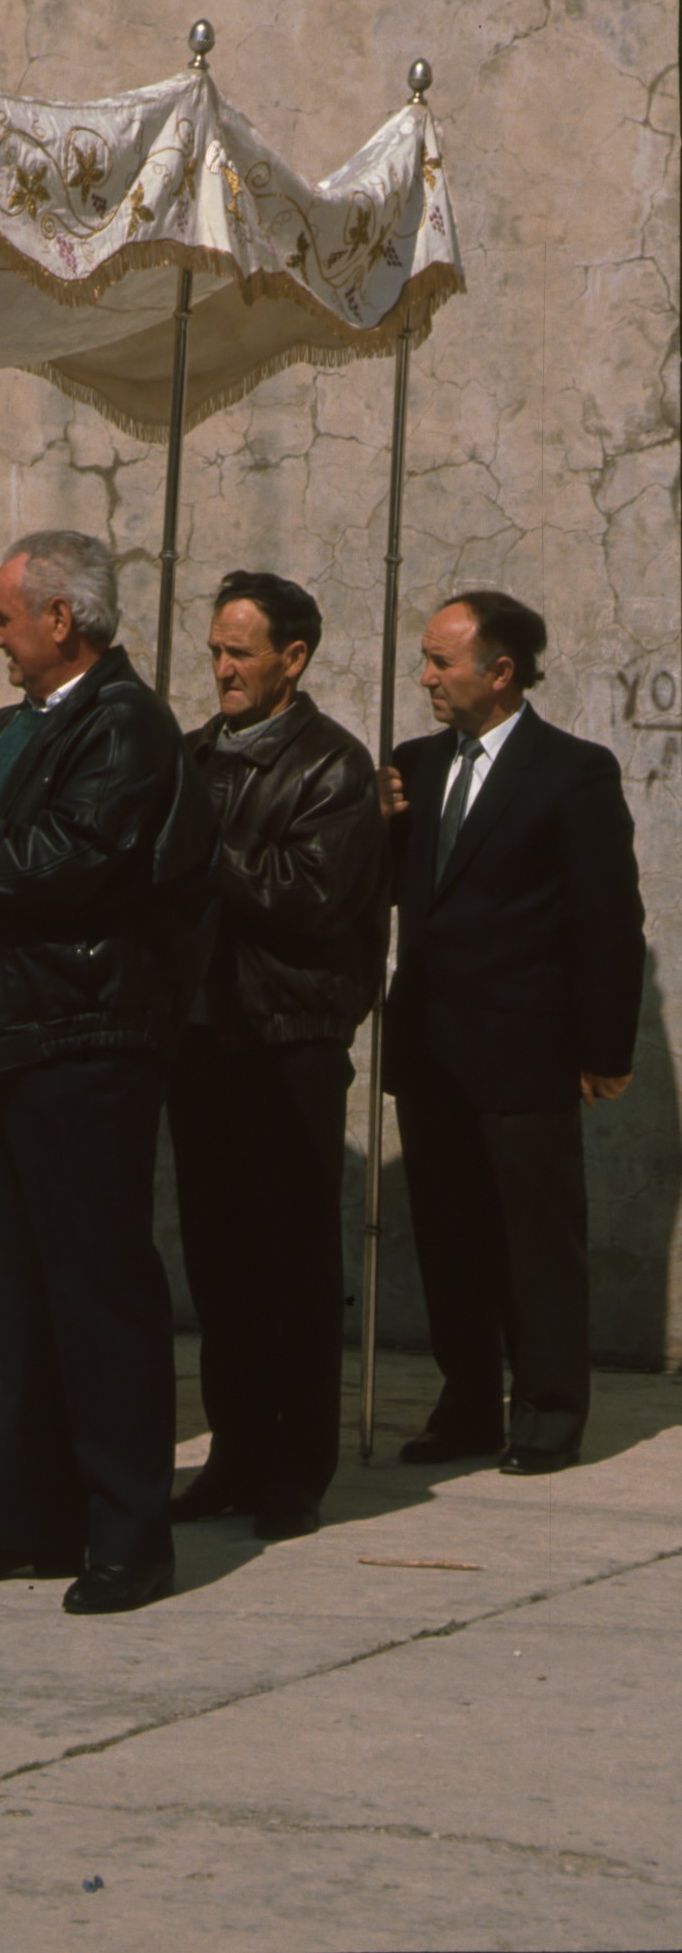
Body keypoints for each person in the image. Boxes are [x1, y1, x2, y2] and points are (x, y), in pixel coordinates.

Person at [0, 531, 217, 1614]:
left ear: (62, 618)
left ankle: (127, 1537)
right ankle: (27, 1521)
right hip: (6, 1034)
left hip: (83, 1041)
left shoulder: (125, 725)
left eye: (6, 618)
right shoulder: (14, 728)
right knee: (19, 1302)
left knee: (96, 1298)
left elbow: (63, 867)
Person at [381, 591, 645, 1475]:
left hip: (526, 1054)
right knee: (448, 1240)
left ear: (499, 672)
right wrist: (372, 825)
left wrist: (604, 1052)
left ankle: (546, 1413)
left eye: (440, 662)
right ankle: (465, 1407)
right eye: (424, 659)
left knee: (536, 1244)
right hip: (430, 1051)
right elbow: (392, 889)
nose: (424, 677)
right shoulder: (412, 767)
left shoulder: (571, 771)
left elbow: (608, 922)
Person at [166, 571, 386, 1541]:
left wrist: (198, 849)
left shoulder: (333, 766)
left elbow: (311, 894)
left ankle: (295, 1472)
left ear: (291, 660)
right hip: (201, 1041)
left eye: (240, 652)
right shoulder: (190, 754)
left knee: (290, 1265)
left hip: (289, 1042)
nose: (222, 668)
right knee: (218, 1266)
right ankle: (236, 1455)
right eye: (215, 649)